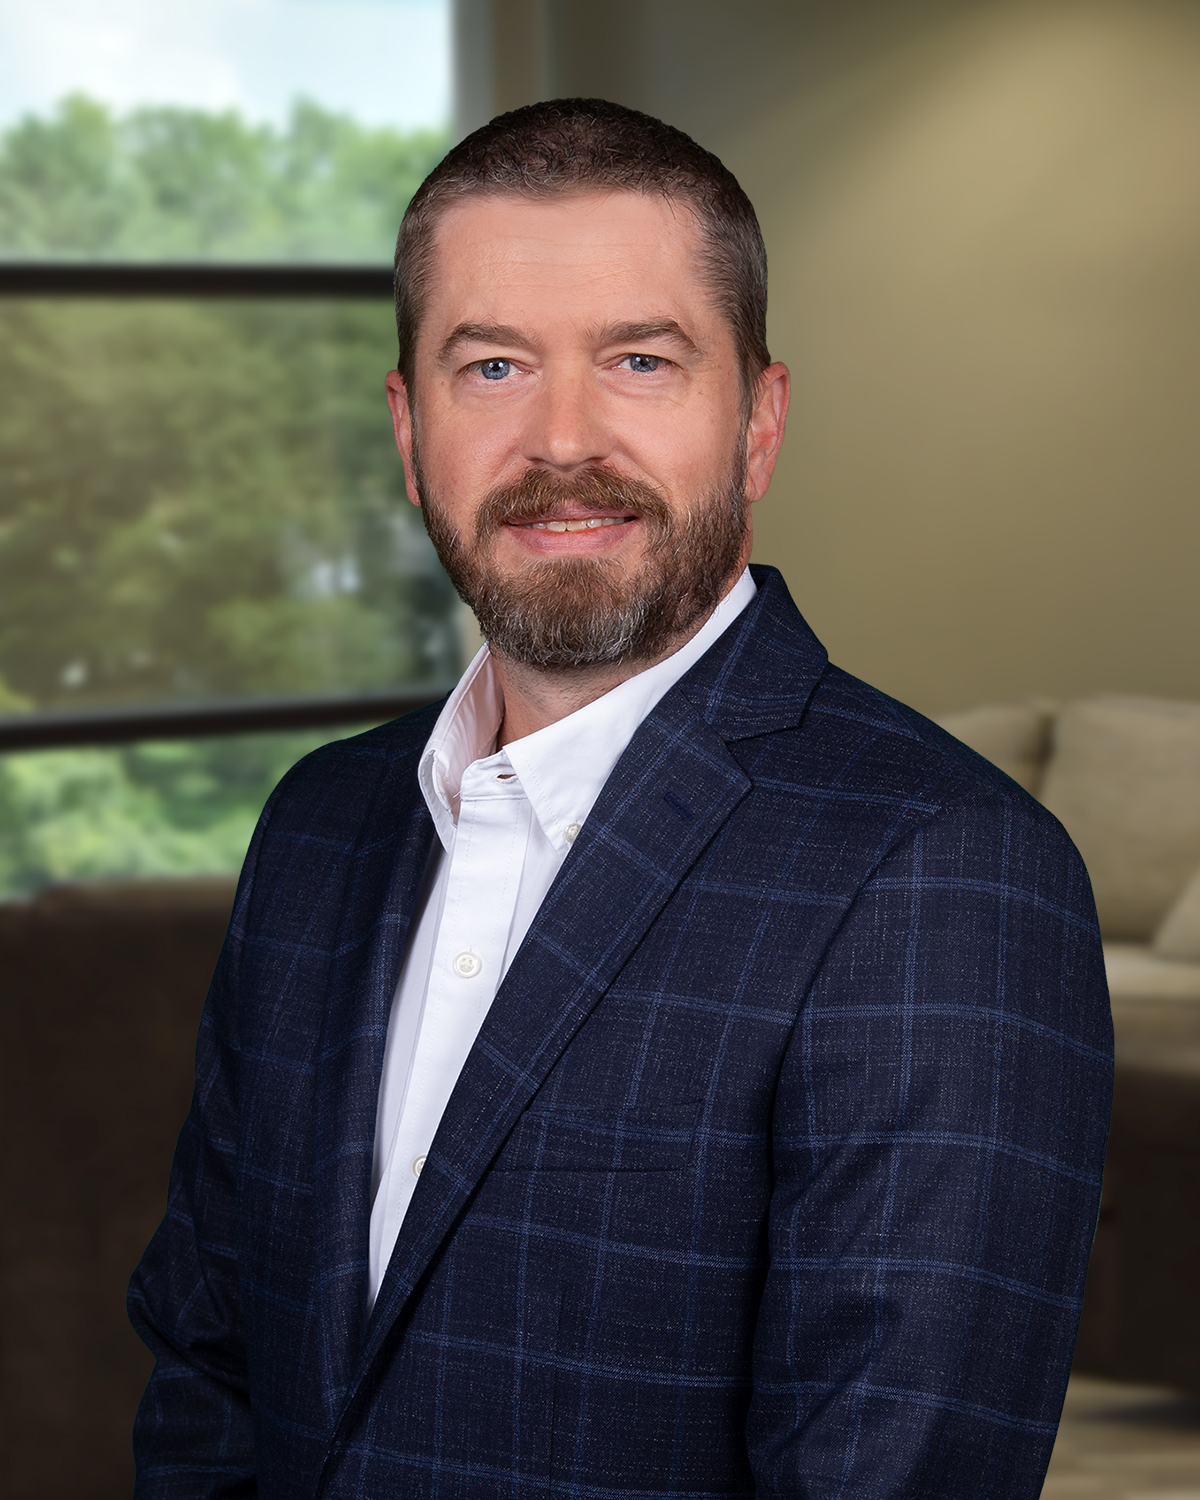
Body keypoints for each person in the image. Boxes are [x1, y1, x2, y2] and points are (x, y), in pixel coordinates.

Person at [129, 98, 1112, 1499]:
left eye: (641, 361)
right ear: (408, 429)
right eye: (492, 367)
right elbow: (207, 1370)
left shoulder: (945, 872)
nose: (561, 439)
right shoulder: (318, 825)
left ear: (758, 424)